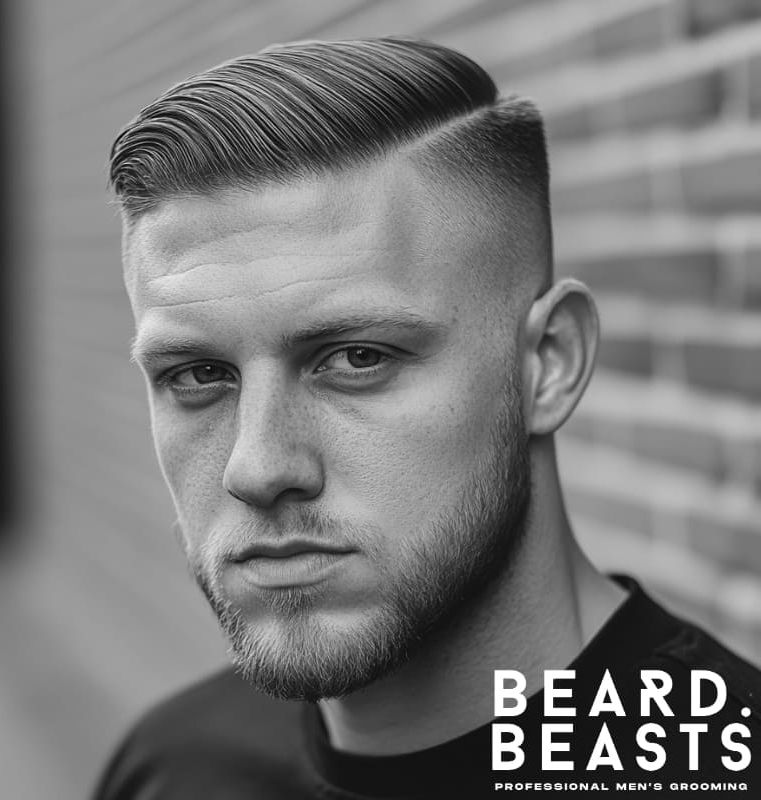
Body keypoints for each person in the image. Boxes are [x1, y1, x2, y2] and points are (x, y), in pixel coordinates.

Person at [93, 37, 761, 799]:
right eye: (199, 375)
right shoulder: (172, 766)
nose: (258, 466)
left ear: (549, 363)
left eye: (356, 359)